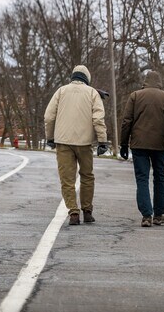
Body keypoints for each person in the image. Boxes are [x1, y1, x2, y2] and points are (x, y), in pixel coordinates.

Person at [44, 65, 109, 225]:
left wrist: (50, 137)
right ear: (87, 78)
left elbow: (48, 116)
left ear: (73, 77)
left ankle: (73, 212)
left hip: (63, 142)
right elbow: (98, 119)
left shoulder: (61, 91)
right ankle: (87, 211)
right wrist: (102, 140)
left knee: (67, 179)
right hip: (85, 143)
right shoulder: (93, 93)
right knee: (87, 176)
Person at [120, 71, 164, 227]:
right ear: (159, 82)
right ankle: (159, 215)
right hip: (158, 145)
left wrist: (123, 143)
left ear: (145, 81)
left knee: (142, 179)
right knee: (159, 178)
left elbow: (127, 121)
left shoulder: (135, 96)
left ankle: (146, 215)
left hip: (139, 145)